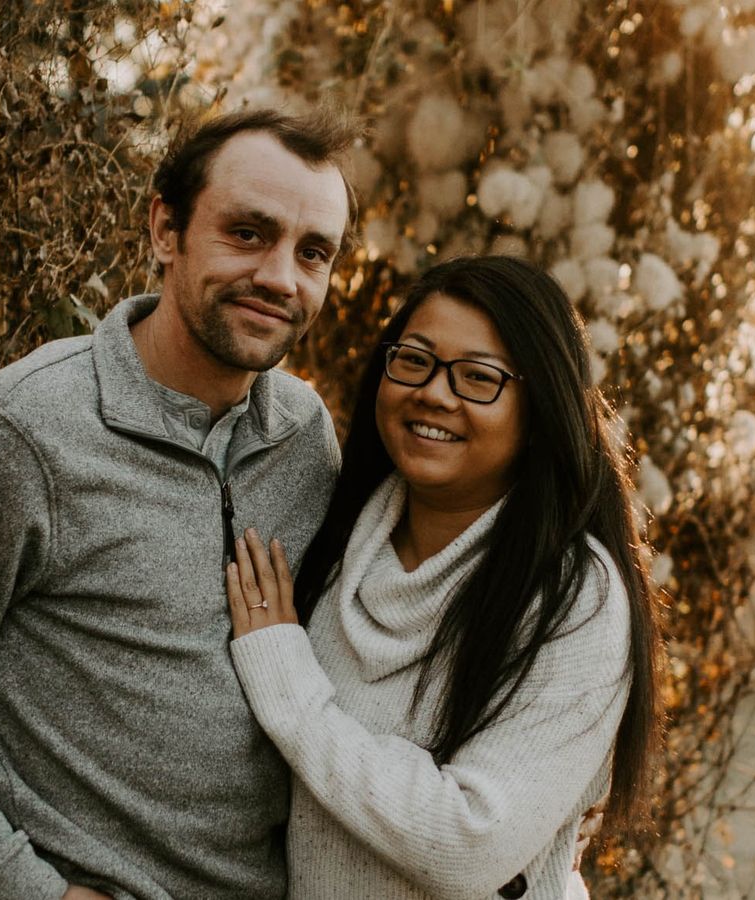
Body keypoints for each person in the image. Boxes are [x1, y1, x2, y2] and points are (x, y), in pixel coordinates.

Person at [0, 107, 359, 900]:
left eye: (313, 252)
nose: (282, 278)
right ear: (166, 230)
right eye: (248, 233)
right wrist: (21, 886)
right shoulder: (21, 430)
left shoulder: (304, 436)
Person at [226, 256, 663, 899]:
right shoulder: (334, 537)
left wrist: (290, 690)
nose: (434, 392)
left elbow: (467, 844)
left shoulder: (571, 596)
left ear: (540, 406)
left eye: (478, 377)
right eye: (414, 360)